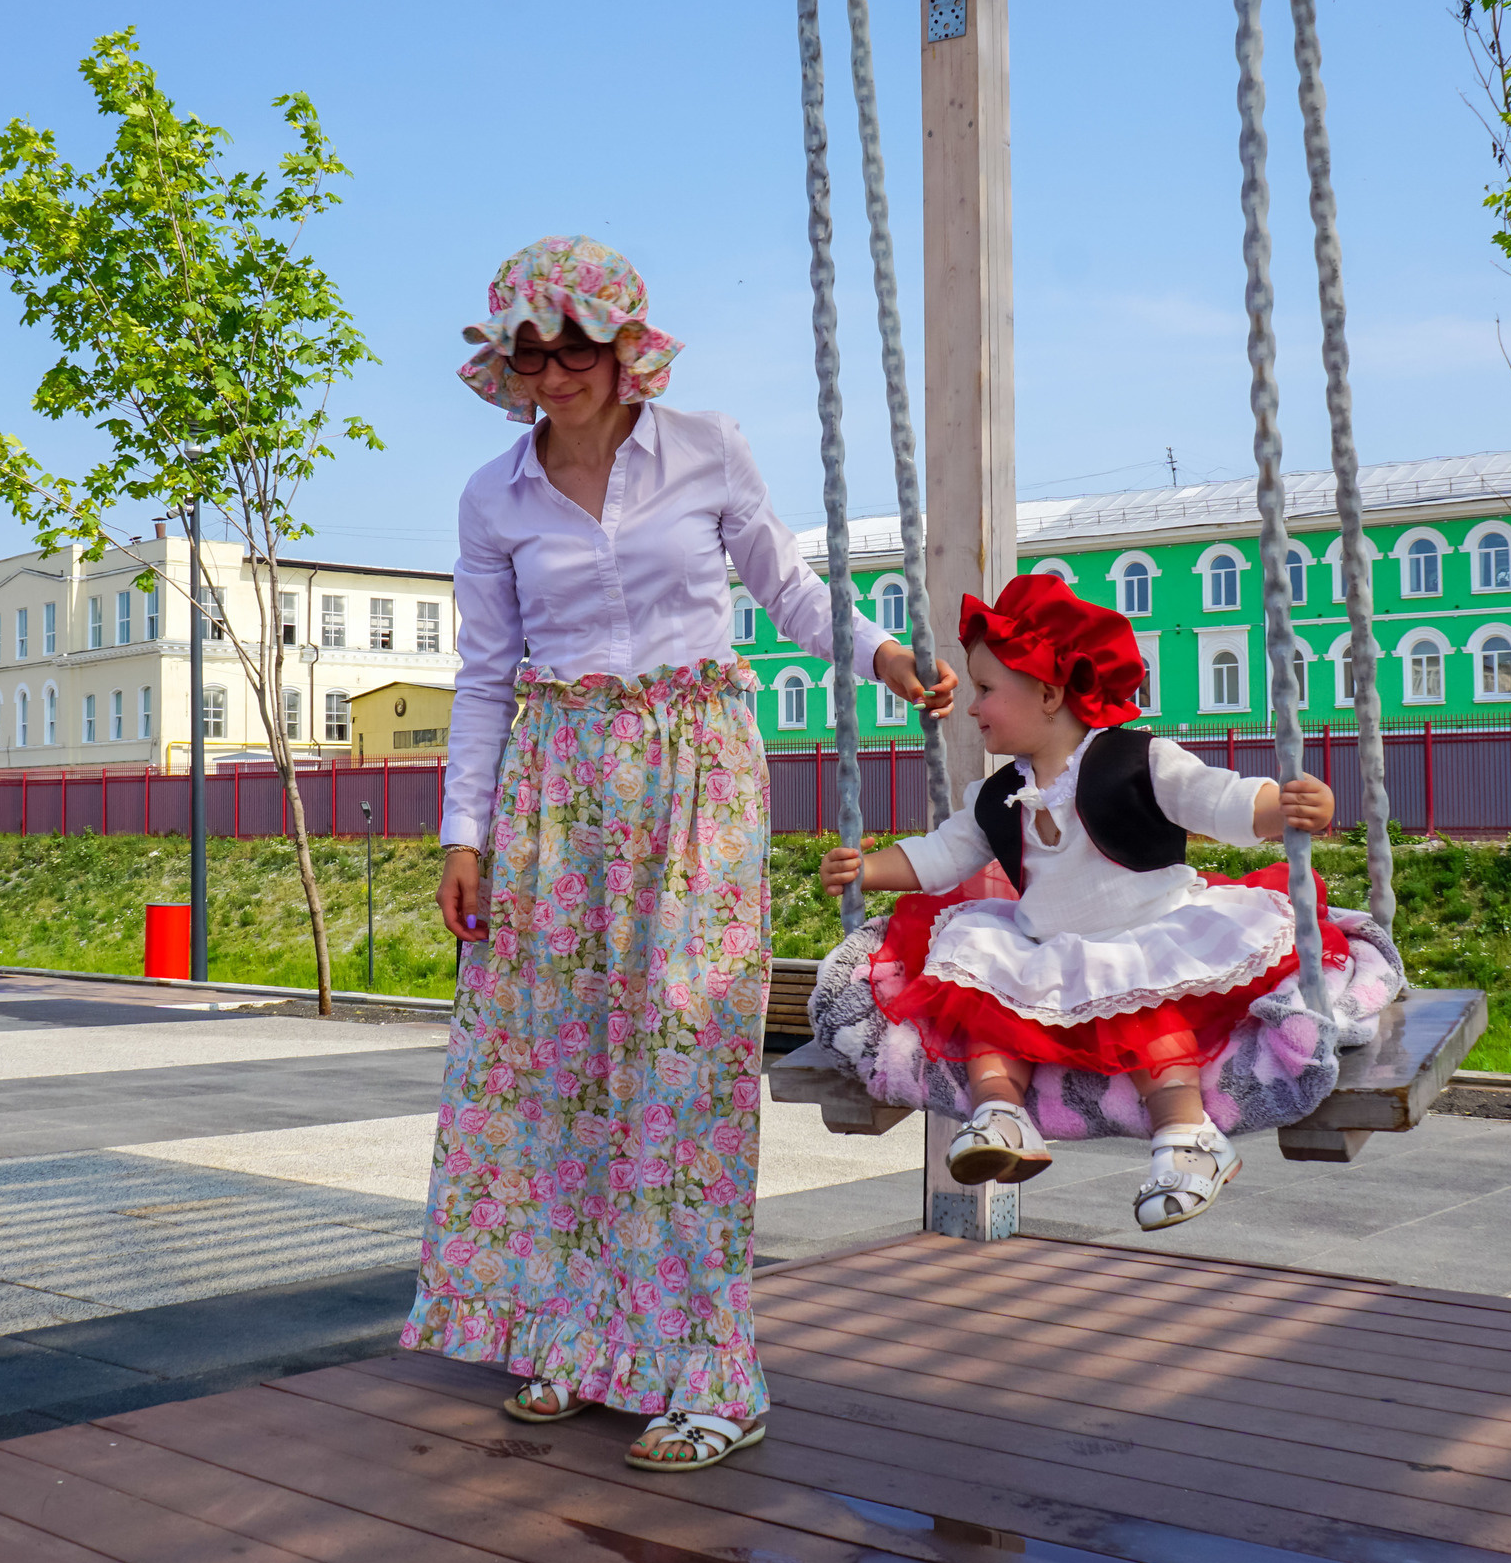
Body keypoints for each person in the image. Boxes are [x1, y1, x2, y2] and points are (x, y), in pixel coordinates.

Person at [410, 236, 956, 1472]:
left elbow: (791, 592)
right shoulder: (494, 496)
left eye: (576, 350)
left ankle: (712, 1370)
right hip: (553, 786)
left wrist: (882, 657)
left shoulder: (706, 446)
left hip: (693, 770)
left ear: (624, 347)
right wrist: (463, 835)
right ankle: (569, 1333)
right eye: (531, 356)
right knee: (555, 1064)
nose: (555, 376)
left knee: (681, 1056)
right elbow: (486, 676)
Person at [819, 574, 1340, 1230]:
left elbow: (1217, 798)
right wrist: (868, 868)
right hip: (1047, 948)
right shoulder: (998, 794)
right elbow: (943, 853)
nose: (973, 707)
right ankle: (1001, 1115)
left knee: (1150, 1026)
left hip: (1148, 936)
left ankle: (1189, 1138)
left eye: (985, 689)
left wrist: (1282, 807)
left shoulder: (1137, 760)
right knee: (989, 1009)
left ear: (1048, 692)